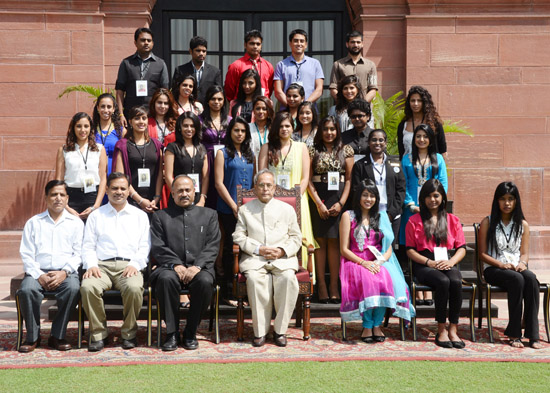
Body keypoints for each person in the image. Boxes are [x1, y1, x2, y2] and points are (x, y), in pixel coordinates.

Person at [80, 172, 151, 352]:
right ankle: (98, 334)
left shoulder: (139, 216)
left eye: (122, 188)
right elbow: (88, 245)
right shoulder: (96, 215)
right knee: (88, 287)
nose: (118, 192)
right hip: (101, 266)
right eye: (114, 188)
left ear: (129, 191)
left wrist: (135, 264)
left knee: (134, 288)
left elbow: (144, 246)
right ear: (106, 191)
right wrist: (91, 265)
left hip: (129, 265)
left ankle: (129, 333)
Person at [150, 175, 220, 351]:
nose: (184, 194)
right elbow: (158, 246)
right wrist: (176, 265)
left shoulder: (209, 215)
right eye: (179, 190)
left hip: (200, 267)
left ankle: (190, 331)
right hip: (169, 267)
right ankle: (171, 333)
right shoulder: (160, 216)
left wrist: (197, 266)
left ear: (194, 191)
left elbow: (212, 246)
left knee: (205, 281)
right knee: (166, 279)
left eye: (188, 190)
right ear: (172, 193)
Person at [233, 169, 302, 347]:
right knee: (255, 281)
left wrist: (281, 250)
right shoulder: (244, 210)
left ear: (275, 188)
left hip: (282, 259)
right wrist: (258, 249)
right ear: (255, 188)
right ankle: (260, 332)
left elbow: (296, 237)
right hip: (255, 259)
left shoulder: (287, 209)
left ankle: (280, 330)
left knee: (288, 279)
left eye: (269, 185)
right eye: (261, 185)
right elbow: (238, 237)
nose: (265, 189)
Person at [340, 179, 414, 342]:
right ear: (359, 196)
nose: (368, 199)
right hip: (355, 261)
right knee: (368, 279)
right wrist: (363, 263)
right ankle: (367, 325)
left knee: (384, 279)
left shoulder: (381, 217)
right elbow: (344, 249)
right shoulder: (348, 216)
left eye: (372, 196)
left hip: (377, 261)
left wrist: (378, 263)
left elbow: (388, 247)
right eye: (365, 195)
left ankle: (377, 325)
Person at [17, 180, 83, 353]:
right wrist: (39, 275)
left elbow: (79, 253)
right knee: (26, 290)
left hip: (66, 272)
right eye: (54, 194)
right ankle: (32, 337)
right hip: (38, 273)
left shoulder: (76, 223)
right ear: (46, 198)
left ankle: (57, 335)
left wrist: (64, 272)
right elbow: (26, 254)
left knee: (73, 289)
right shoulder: (34, 222)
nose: (58, 198)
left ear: (67, 198)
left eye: (62, 195)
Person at [478, 182, 543, 349]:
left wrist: (522, 263)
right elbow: (482, 254)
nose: (507, 203)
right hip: (494, 269)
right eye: (503, 199)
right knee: (517, 280)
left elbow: (525, 253)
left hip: (516, 268)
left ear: (516, 201)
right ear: (496, 201)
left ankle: (533, 334)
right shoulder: (488, 222)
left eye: (510, 199)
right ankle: (514, 333)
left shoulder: (522, 224)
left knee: (532, 279)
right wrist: (500, 264)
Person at [406, 179, 466, 349]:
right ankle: (441, 329)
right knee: (443, 281)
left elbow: (461, 248)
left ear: (443, 198)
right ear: (422, 199)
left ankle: (453, 329)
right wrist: (429, 262)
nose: (432, 200)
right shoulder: (414, 220)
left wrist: (451, 262)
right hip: (424, 264)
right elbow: (409, 250)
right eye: (428, 196)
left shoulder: (452, 220)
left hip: (447, 261)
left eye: (436, 195)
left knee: (455, 281)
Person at [258, 111, 316, 271]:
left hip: (298, 201)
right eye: (281, 126)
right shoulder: (266, 148)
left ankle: (301, 277)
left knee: (297, 237)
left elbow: (305, 177)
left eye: (287, 126)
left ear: (293, 127)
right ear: (275, 129)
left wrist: (294, 198)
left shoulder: (301, 147)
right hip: (270, 202)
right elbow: (261, 176)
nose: (284, 129)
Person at [307, 116, 354, 303]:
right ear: (321, 131)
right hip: (319, 198)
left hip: (339, 199)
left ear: (337, 131)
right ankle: (322, 286)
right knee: (320, 242)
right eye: (325, 129)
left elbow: (349, 179)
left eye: (332, 129)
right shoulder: (312, 150)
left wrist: (341, 203)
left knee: (335, 242)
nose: (329, 133)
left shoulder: (346, 150)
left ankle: (334, 285)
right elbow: (308, 179)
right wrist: (319, 203)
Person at [214, 117, 255, 305]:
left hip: (249, 209)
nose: (239, 134)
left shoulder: (249, 154)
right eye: (236, 130)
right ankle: (228, 293)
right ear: (230, 132)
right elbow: (218, 183)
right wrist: (233, 205)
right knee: (231, 249)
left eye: (243, 131)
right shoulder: (223, 153)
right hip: (228, 208)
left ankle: (244, 290)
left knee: (248, 249)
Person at [351, 129, 406, 242]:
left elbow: (401, 189)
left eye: (381, 140)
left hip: (392, 214)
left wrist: (391, 213)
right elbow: (356, 189)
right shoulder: (360, 165)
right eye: (374, 140)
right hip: (369, 213)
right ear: (368, 142)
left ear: (385, 143)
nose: (377, 143)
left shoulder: (395, 163)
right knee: (371, 246)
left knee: (389, 248)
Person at [55, 112, 107, 220]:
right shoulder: (64, 150)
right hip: (71, 197)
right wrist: (66, 206)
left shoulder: (99, 149)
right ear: (73, 128)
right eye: (78, 126)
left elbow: (103, 179)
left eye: (86, 126)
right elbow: (58, 180)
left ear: (91, 128)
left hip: (92, 196)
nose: (82, 130)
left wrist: (96, 206)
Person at [113, 106, 164, 214]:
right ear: (130, 122)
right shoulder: (122, 145)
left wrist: (157, 198)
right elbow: (121, 177)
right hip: (131, 201)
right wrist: (139, 200)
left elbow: (160, 173)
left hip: (153, 202)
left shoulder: (156, 144)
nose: (141, 122)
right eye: (137, 118)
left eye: (144, 118)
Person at [115, 27, 169, 127]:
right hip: (130, 115)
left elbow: (165, 92)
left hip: (153, 115)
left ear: (152, 43)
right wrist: (120, 114)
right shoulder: (126, 63)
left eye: (149, 40)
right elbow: (119, 91)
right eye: (143, 40)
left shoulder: (160, 64)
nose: (146, 43)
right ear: (135, 43)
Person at [165, 112, 209, 206]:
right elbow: (168, 176)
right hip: (179, 198)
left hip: (197, 199)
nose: (189, 129)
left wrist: (202, 199)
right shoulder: (172, 148)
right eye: (185, 126)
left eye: (192, 126)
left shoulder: (202, 148)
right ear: (180, 128)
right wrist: (178, 195)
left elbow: (205, 177)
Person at [274, 29, 324, 109]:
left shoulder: (315, 64)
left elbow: (319, 89)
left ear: (306, 44)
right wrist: (290, 106)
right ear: (290, 43)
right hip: (287, 112)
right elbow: (278, 91)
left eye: (302, 41)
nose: (299, 44)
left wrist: (305, 106)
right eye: (296, 41)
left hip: (308, 112)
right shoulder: (281, 65)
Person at [200, 85, 231, 209]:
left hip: (225, 161)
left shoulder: (229, 120)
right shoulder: (200, 120)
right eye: (213, 99)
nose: (216, 102)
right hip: (206, 161)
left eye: (220, 99)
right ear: (207, 100)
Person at [397, 85, 447, 160]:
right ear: (409, 102)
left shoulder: (435, 123)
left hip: (431, 168)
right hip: (408, 168)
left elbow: (443, 151)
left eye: (419, 101)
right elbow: (401, 152)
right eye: (413, 100)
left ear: (425, 102)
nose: (415, 104)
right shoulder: (403, 125)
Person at [224, 29, 274, 101]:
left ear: (261, 45)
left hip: (262, 108)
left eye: (258, 44)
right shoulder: (236, 66)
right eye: (252, 43)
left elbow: (269, 88)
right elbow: (229, 91)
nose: (255, 46)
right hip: (241, 107)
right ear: (245, 45)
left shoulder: (268, 66)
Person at [329, 31, 378, 103]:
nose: (355, 45)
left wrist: (361, 105)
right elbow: (333, 88)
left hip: (365, 110)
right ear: (347, 44)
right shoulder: (338, 64)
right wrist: (343, 104)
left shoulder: (370, 65)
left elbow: (373, 89)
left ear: (362, 44)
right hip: (343, 110)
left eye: (358, 42)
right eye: (352, 42)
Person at [172, 36, 222, 105]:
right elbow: (175, 92)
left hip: (207, 110)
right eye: (198, 50)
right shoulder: (180, 70)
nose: (201, 53)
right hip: (186, 109)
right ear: (190, 51)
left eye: (204, 51)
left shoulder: (215, 72)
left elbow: (218, 93)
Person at [92, 93, 125, 175]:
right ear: (97, 108)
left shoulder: (121, 131)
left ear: (114, 109)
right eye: (102, 106)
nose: (106, 110)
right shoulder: (91, 131)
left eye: (109, 107)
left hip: (114, 177)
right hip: (95, 176)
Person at [249, 96, 274, 164]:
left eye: (264, 109)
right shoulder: (247, 128)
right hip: (251, 166)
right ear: (253, 111)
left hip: (270, 167)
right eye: (258, 108)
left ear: (268, 111)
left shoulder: (274, 129)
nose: (261, 111)